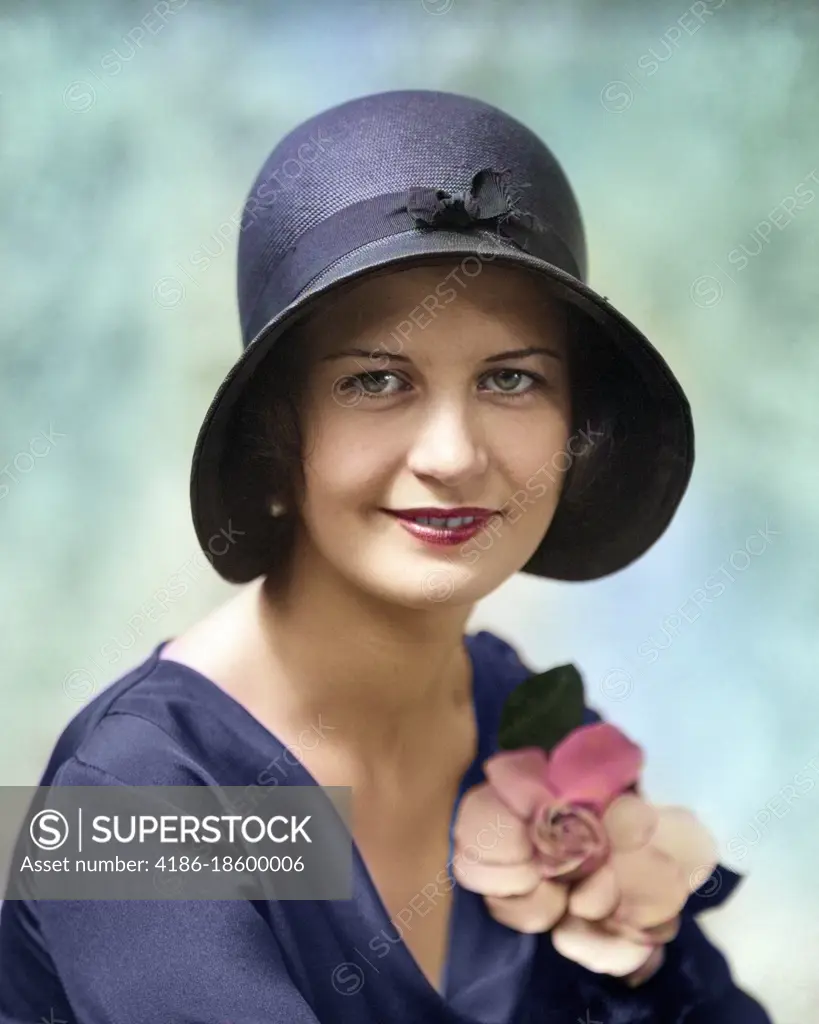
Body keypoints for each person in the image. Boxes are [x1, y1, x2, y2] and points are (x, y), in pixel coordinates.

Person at [0, 89, 772, 1023]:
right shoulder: (137, 800)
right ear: (278, 431)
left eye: (510, 378)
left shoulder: (523, 721)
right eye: (376, 380)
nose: (451, 456)